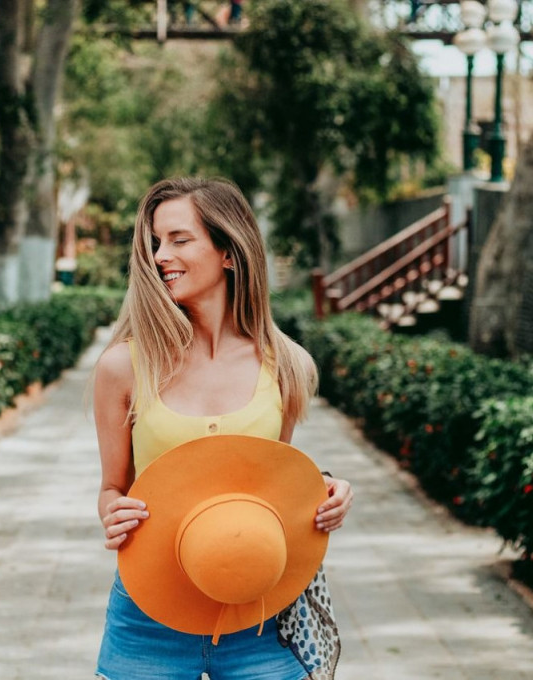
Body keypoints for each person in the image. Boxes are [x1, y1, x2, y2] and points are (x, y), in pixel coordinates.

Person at [93, 177, 353, 680]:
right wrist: (113, 513)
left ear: (229, 252)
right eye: (156, 242)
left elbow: (271, 484)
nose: (160, 256)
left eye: (179, 239)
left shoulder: (286, 366)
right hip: (146, 618)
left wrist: (325, 491)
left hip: (260, 615)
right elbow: (111, 488)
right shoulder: (124, 367)